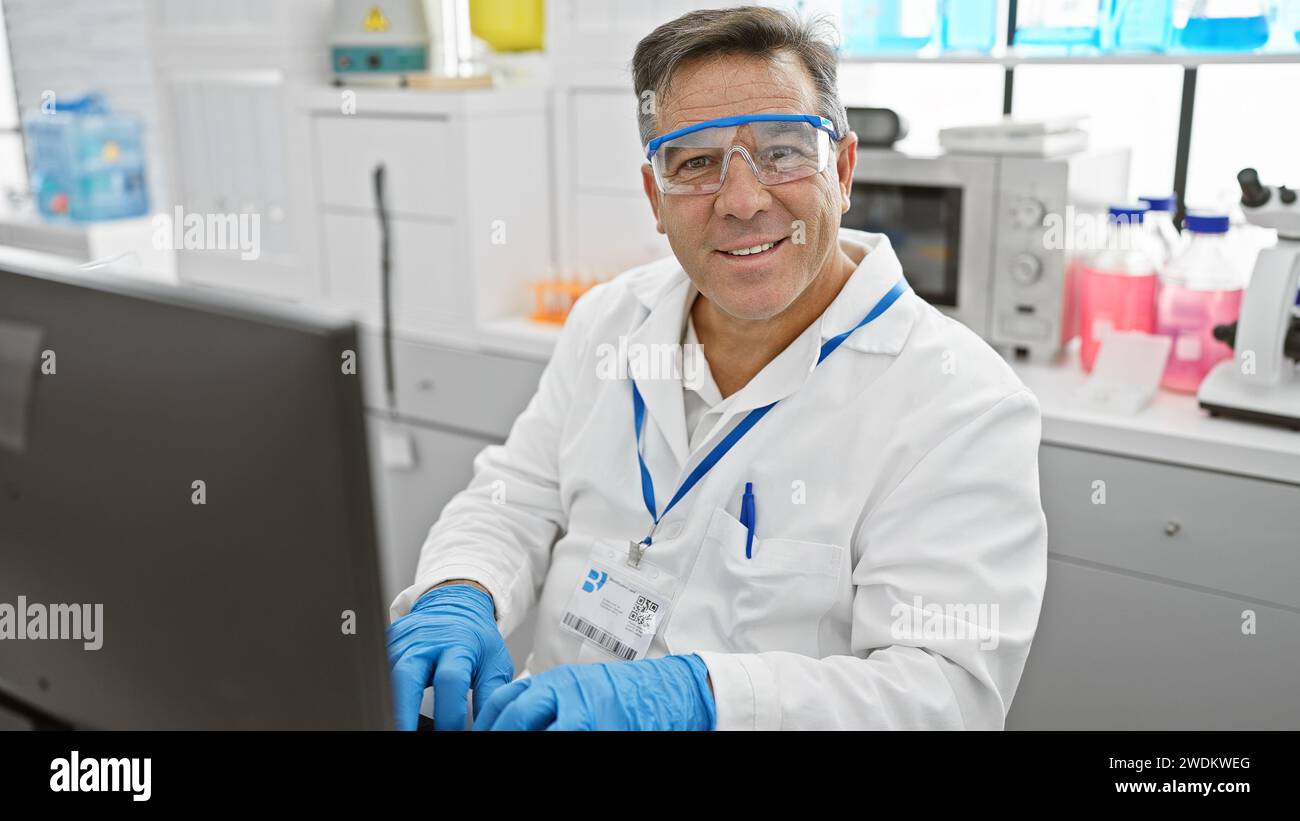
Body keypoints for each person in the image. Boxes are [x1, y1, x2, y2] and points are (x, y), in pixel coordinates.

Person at [386, 6, 1047, 731]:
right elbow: (516, 496)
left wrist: (704, 699)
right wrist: (461, 587)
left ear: (845, 169)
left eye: (784, 152)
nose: (741, 200)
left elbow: (941, 696)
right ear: (655, 198)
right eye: (696, 162)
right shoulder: (610, 320)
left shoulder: (962, 405)